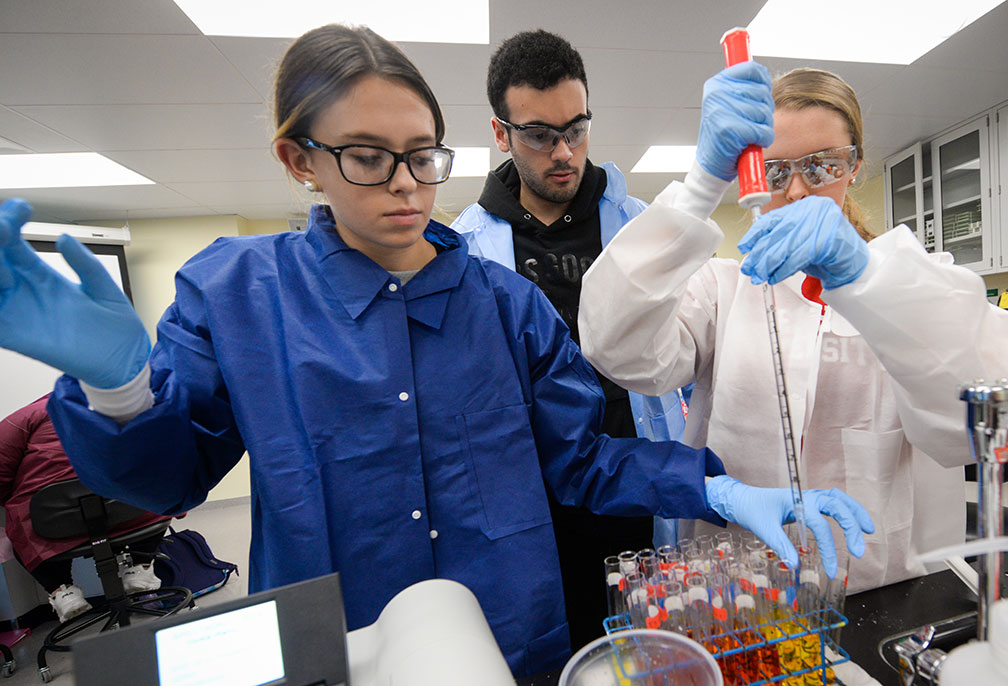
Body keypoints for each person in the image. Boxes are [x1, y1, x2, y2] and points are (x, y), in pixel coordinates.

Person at [0, 26, 872, 676]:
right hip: (341, 641)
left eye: (421, 157)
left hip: (511, 635)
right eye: (369, 159)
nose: (408, 187)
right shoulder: (239, 295)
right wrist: (117, 390)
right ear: (299, 159)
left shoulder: (504, 301)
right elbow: (171, 478)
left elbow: (581, 461)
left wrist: (714, 485)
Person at [578, 63, 1008, 593]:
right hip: (737, 590)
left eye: (821, 167)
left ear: (854, 164)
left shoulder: (915, 285)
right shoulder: (722, 290)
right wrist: (700, 186)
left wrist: (867, 280)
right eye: (774, 170)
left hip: (874, 588)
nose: (795, 192)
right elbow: (614, 345)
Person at [449, 29, 682, 649]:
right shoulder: (467, 248)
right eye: (540, 134)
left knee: (650, 645)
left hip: (635, 474)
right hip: (534, 492)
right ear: (500, 133)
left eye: (576, 129)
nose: (564, 152)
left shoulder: (639, 226)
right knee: (558, 644)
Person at [0, 395, 167, 623]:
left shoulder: (30, 414)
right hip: (130, 511)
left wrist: (15, 501)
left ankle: (63, 592)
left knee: (21, 530)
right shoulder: (129, 402)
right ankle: (140, 567)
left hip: (53, 518)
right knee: (163, 492)